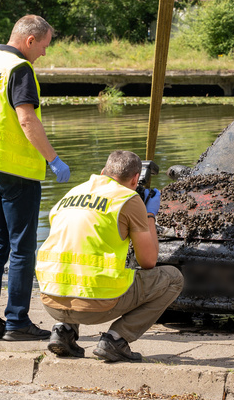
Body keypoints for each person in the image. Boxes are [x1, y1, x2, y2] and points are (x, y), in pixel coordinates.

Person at [0, 14, 71, 342]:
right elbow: (26, 120)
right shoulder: (19, 70)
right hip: (15, 173)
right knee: (22, 248)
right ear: (30, 40)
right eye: (45, 46)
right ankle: (17, 322)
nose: (45, 54)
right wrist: (53, 159)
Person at [36, 150, 183, 362]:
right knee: (173, 278)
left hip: (50, 300)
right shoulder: (129, 199)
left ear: (103, 172)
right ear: (135, 179)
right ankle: (116, 340)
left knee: (76, 258)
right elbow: (148, 261)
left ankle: (63, 332)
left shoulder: (72, 193)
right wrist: (149, 214)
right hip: (96, 306)